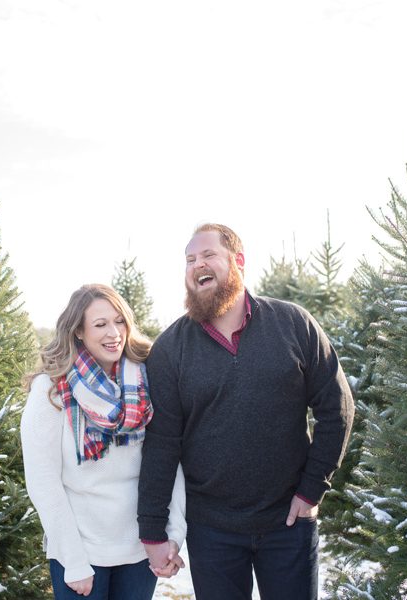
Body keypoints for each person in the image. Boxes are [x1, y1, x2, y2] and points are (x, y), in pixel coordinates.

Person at [137, 224, 355, 600]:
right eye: (190, 259)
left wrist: (311, 490)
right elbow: (161, 445)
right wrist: (153, 530)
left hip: (289, 522)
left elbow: (337, 409)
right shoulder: (171, 348)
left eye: (207, 256)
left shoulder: (293, 324)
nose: (196, 265)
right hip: (211, 530)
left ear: (238, 261)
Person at [22, 283, 186, 599]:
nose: (114, 333)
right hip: (81, 552)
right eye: (100, 324)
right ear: (78, 332)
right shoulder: (51, 391)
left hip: (140, 551)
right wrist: (74, 561)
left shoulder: (147, 382)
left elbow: (169, 459)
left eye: (119, 321)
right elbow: (43, 483)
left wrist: (174, 535)